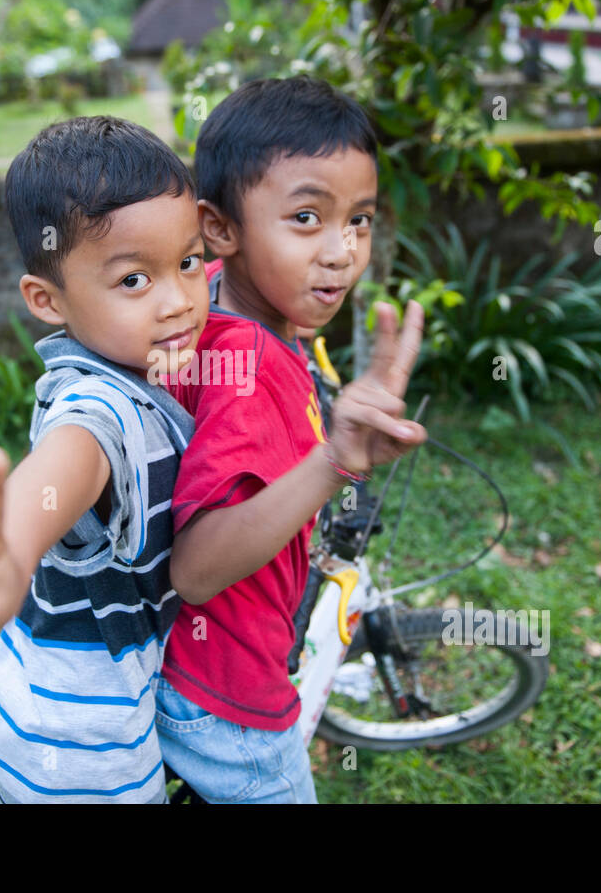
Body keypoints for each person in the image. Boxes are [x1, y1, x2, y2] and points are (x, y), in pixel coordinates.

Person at [0, 116, 209, 803]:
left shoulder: (106, 369)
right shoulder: (102, 412)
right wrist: (6, 546)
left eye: (189, 262)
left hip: (23, 709)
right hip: (85, 754)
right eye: (134, 280)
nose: (178, 301)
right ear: (46, 301)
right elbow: (67, 464)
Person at [157, 76, 427, 803]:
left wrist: (295, 329)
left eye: (360, 220)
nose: (343, 252)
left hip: (183, 662)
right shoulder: (251, 375)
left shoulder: (214, 295)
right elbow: (199, 569)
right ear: (219, 226)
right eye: (307, 217)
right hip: (234, 697)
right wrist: (336, 461)